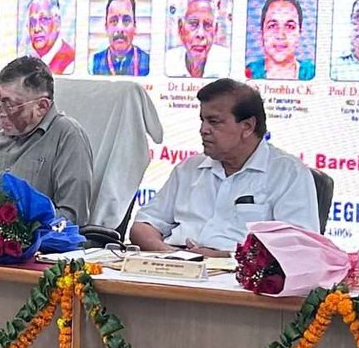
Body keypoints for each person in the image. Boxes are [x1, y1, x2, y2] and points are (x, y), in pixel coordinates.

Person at [129, 79, 319, 255]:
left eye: (214, 122)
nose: (203, 130)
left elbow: (298, 249)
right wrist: (174, 257)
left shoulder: (288, 174)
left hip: (240, 273)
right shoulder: (188, 169)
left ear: (247, 126)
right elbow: (143, 225)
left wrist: (226, 258)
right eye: (202, 120)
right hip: (176, 263)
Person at [0, 56, 94, 224]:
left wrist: (18, 228)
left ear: (42, 106)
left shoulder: (68, 136)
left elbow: (73, 217)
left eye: (9, 105)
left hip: (38, 238)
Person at [245, 0, 315, 81]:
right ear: (261, 34)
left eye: (290, 26)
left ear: (299, 34)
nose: (280, 35)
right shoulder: (248, 73)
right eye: (273, 26)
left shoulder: (312, 73)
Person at [90, 0, 150, 76]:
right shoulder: (93, 63)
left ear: (135, 27)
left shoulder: (148, 62)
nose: (120, 28)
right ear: (106, 27)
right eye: (114, 21)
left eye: (126, 21)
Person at [168, 0, 225, 78]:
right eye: (193, 24)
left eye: (208, 25)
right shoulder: (167, 62)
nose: (200, 34)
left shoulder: (227, 63)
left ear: (215, 30)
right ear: (180, 28)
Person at [23, 0, 75, 75]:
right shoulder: (29, 60)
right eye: (32, 22)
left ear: (57, 23)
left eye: (44, 20)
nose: (36, 28)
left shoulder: (71, 64)